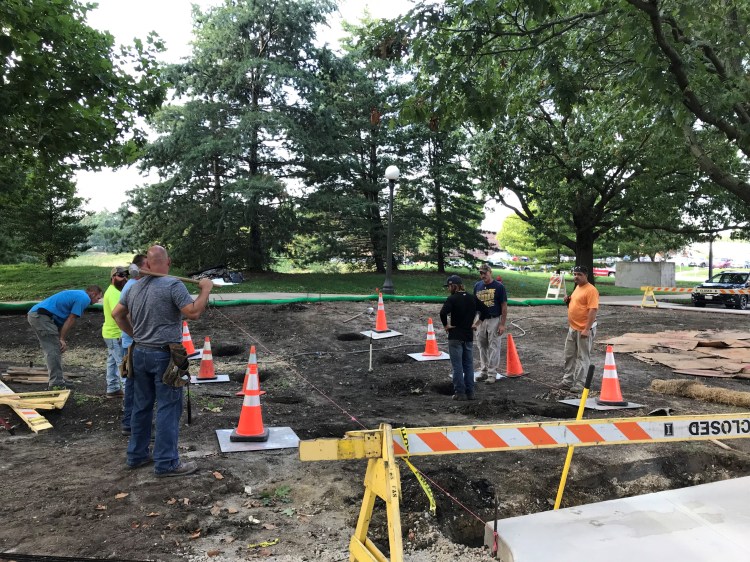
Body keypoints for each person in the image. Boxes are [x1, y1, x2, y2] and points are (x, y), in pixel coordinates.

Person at [112, 245, 213, 477]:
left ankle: (136, 455)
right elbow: (193, 312)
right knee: (168, 407)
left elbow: (117, 314)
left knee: (142, 405)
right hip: (165, 357)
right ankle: (166, 462)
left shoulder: (133, 287)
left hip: (138, 353)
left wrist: (136, 334)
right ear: (168, 262)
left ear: (146, 263)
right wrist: (205, 289)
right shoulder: (172, 285)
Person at [27, 285, 104, 389]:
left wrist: (60, 339)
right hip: (41, 316)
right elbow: (71, 319)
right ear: (93, 294)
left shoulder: (79, 294)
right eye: (98, 298)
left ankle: (58, 379)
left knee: (55, 348)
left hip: (39, 315)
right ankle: (56, 383)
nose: (98, 301)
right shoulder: (84, 298)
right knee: (53, 349)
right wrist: (62, 339)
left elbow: (62, 320)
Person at [559, 265, 600, 393]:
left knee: (583, 356)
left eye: (579, 274)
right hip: (573, 328)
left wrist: (587, 329)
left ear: (586, 275)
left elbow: (593, 310)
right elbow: (577, 306)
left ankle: (580, 384)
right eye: (575, 274)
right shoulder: (577, 288)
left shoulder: (591, 290)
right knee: (569, 355)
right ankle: (567, 381)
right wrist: (568, 302)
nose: (576, 276)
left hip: (584, 329)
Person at [119, 254, 147, 436]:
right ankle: (131, 423)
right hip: (134, 344)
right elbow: (124, 315)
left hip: (134, 342)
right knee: (135, 385)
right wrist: (137, 335)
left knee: (134, 384)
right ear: (137, 268)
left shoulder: (135, 285)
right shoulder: (133, 286)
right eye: (146, 265)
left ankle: (130, 423)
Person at [440, 275, 478, 401]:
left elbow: (442, 313)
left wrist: (446, 325)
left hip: (455, 336)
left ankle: (460, 393)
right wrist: (476, 323)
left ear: (453, 286)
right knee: (468, 365)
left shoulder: (452, 299)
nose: (448, 289)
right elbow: (485, 310)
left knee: (457, 366)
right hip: (468, 336)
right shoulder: (472, 298)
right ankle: (471, 392)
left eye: (449, 286)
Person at [473, 264, 508, 383]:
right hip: (480, 320)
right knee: (482, 345)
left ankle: (492, 374)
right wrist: (474, 321)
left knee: (494, 346)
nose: (483, 275)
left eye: (485, 273)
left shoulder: (499, 287)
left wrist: (502, 324)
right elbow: (474, 305)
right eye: (481, 273)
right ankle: (484, 371)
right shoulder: (477, 286)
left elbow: (504, 306)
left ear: (490, 272)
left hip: (494, 319)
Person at [102, 266, 129, 398]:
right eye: (120, 275)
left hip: (110, 334)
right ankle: (128, 400)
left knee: (112, 361)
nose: (124, 278)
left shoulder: (113, 291)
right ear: (113, 278)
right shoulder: (115, 293)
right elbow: (118, 314)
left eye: (125, 275)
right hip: (116, 334)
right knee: (123, 365)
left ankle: (112, 388)